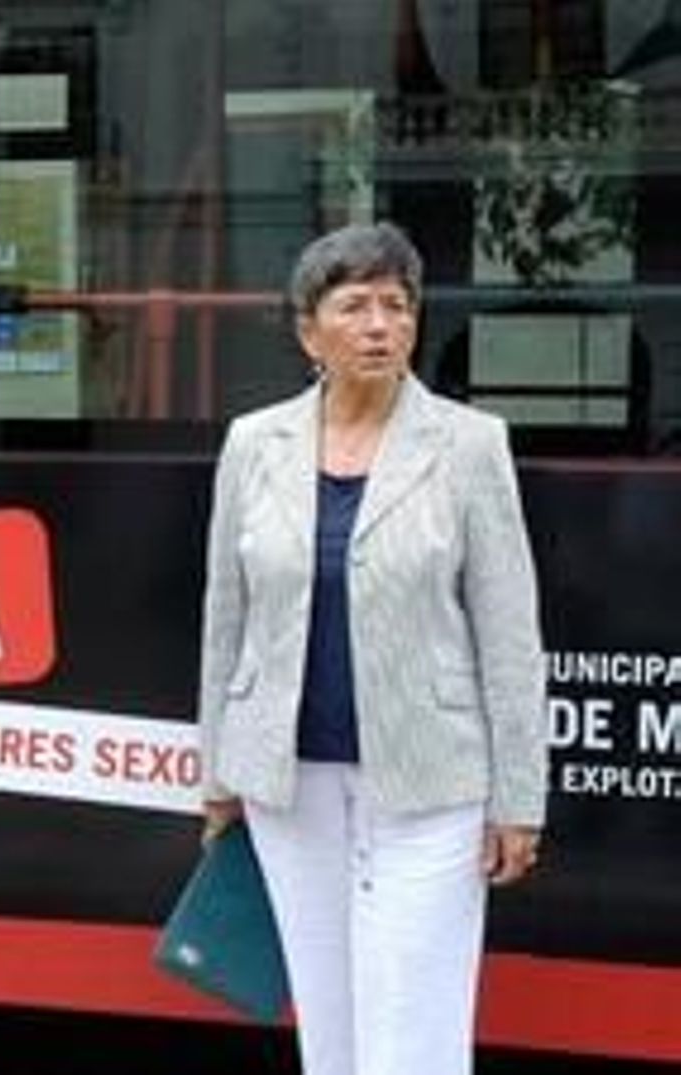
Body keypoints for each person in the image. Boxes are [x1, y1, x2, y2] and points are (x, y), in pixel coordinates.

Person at [195, 221, 548, 1075]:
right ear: (308, 330)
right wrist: (216, 776)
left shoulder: (470, 444)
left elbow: (509, 627)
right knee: (328, 1019)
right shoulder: (254, 443)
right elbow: (225, 616)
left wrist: (520, 796)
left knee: (413, 1024)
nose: (381, 325)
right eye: (354, 306)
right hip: (289, 782)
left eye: (397, 304)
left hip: (433, 782)